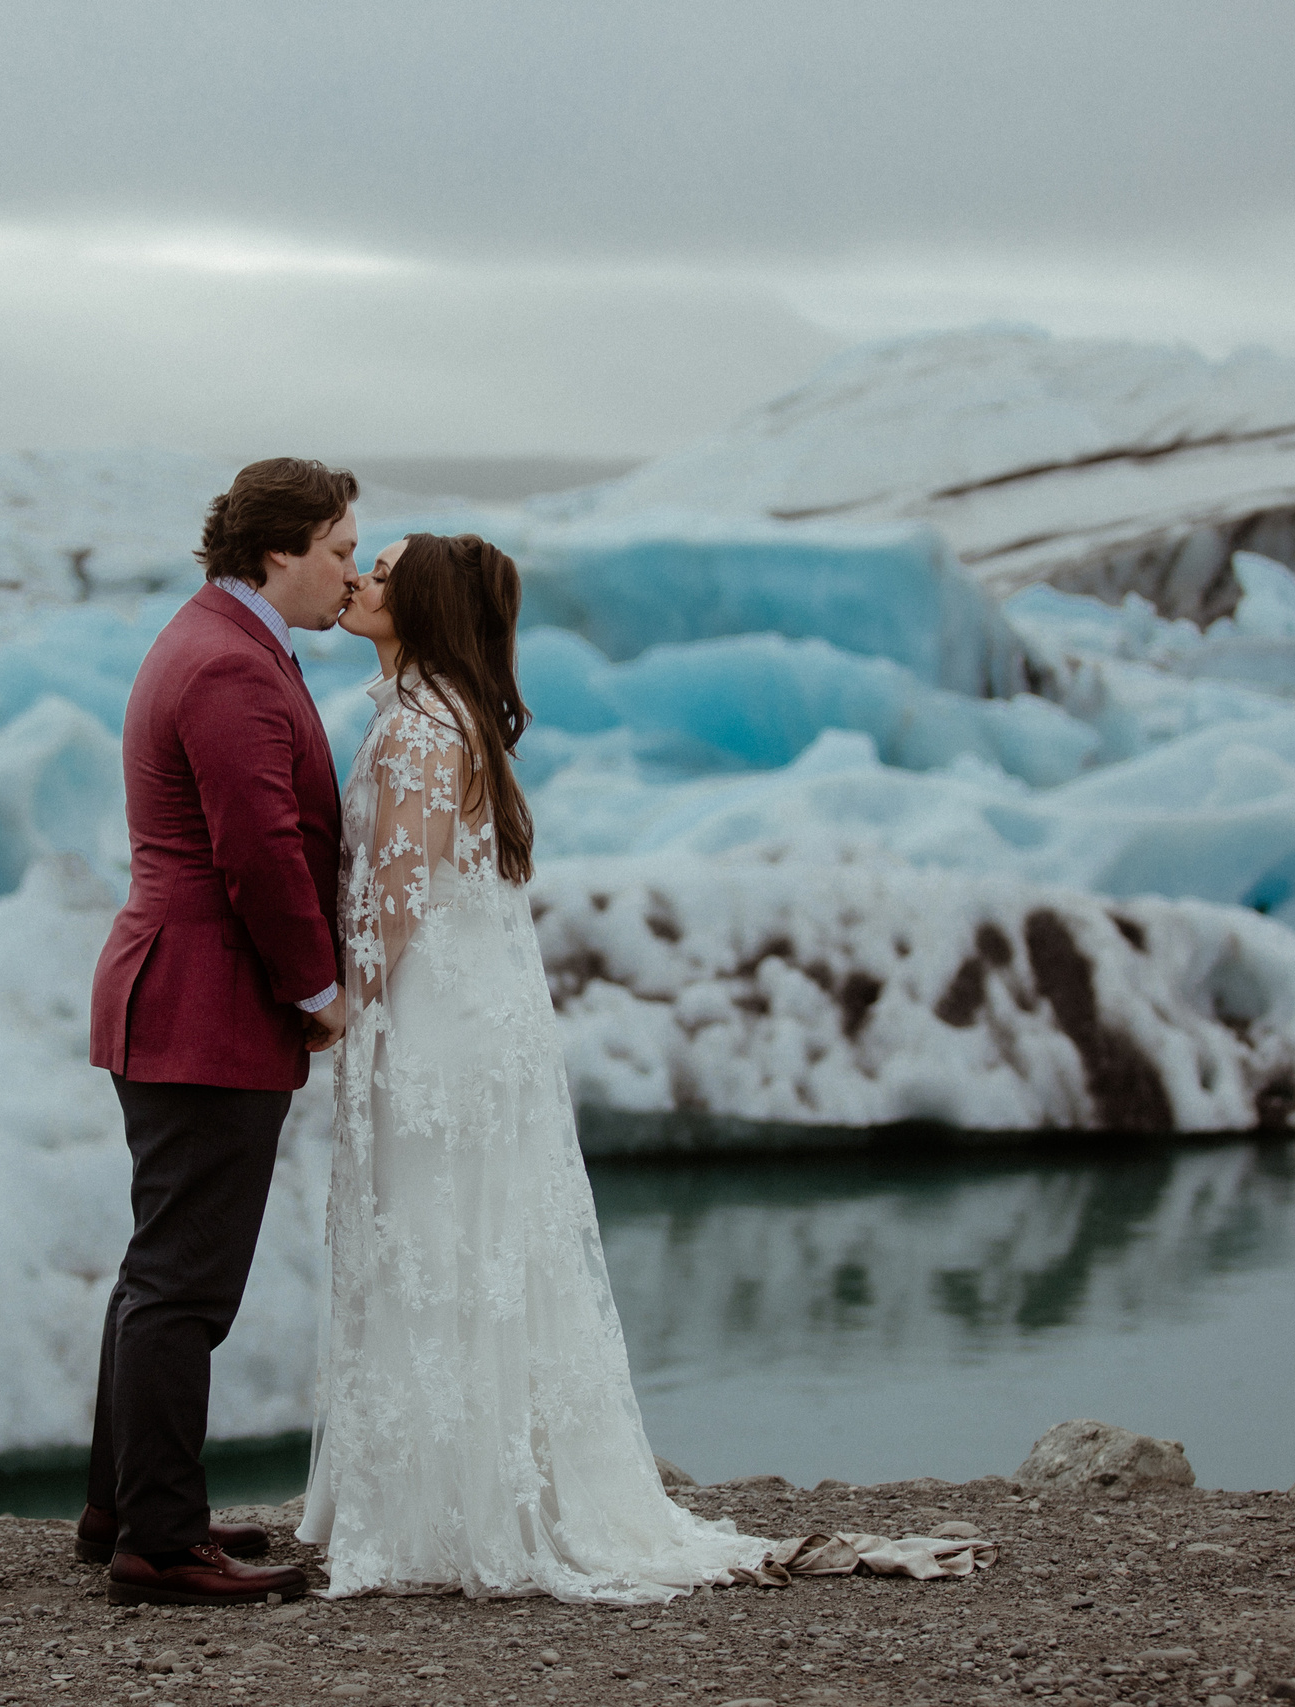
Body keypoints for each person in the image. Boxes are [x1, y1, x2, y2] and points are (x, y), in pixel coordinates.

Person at [296, 532, 774, 1603]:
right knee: (455, 1241)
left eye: (383, 572)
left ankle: (453, 1509)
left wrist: (342, 1006)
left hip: (431, 1022)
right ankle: (464, 1489)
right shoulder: (439, 717)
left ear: (421, 607)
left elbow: (402, 892)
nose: (360, 581)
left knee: (431, 1233)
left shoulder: (422, 728)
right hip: (459, 1015)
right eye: (359, 563)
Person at [81, 458, 360, 1607]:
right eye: (340, 550)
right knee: (185, 1285)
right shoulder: (228, 667)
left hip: (180, 994)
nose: (350, 573)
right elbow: (258, 852)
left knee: (161, 1273)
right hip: (206, 1003)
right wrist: (318, 993)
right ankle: (160, 1542)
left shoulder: (213, 641)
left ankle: (128, 1510)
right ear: (279, 550)